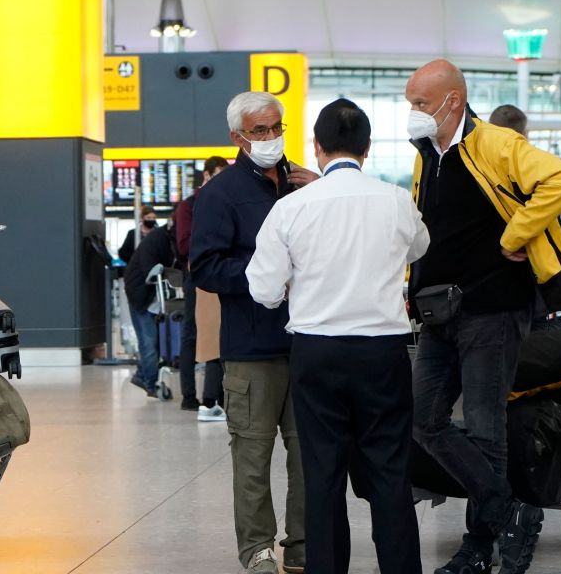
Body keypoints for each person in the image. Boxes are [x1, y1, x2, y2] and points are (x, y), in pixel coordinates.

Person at [405, 60, 561, 574]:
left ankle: (478, 546)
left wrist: (513, 237)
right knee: (423, 418)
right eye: (411, 102)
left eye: (420, 102)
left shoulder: (495, 144)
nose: (413, 112)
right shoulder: (426, 156)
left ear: (452, 101)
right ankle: (510, 511)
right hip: (441, 312)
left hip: (493, 310)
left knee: (486, 430)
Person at [248, 99, 430, 574]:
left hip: (317, 352)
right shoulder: (394, 200)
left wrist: (295, 285)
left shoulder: (292, 207)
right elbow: (420, 247)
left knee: (322, 475)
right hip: (383, 352)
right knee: (390, 473)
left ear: (317, 147)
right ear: (367, 149)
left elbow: (262, 289)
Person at [191, 90, 318, 574]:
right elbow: (204, 268)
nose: (270, 139)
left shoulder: (304, 183)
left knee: (309, 454)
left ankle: (304, 548)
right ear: (237, 137)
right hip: (250, 347)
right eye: (259, 131)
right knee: (252, 454)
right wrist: (265, 273)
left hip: (307, 340)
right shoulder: (220, 195)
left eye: (276, 128)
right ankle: (257, 549)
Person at [174, 155, 230, 419]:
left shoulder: (224, 202)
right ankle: (189, 395)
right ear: (206, 176)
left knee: (215, 334)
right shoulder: (189, 206)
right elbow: (185, 246)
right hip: (195, 276)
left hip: (218, 275)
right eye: (217, 174)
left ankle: (214, 395)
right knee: (192, 334)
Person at [122, 217, 176, 397]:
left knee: (154, 341)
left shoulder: (167, 239)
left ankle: (142, 375)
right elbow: (149, 271)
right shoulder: (156, 241)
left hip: (151, 296)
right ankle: (151, 383)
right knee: (149, 341)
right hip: (140, 295)